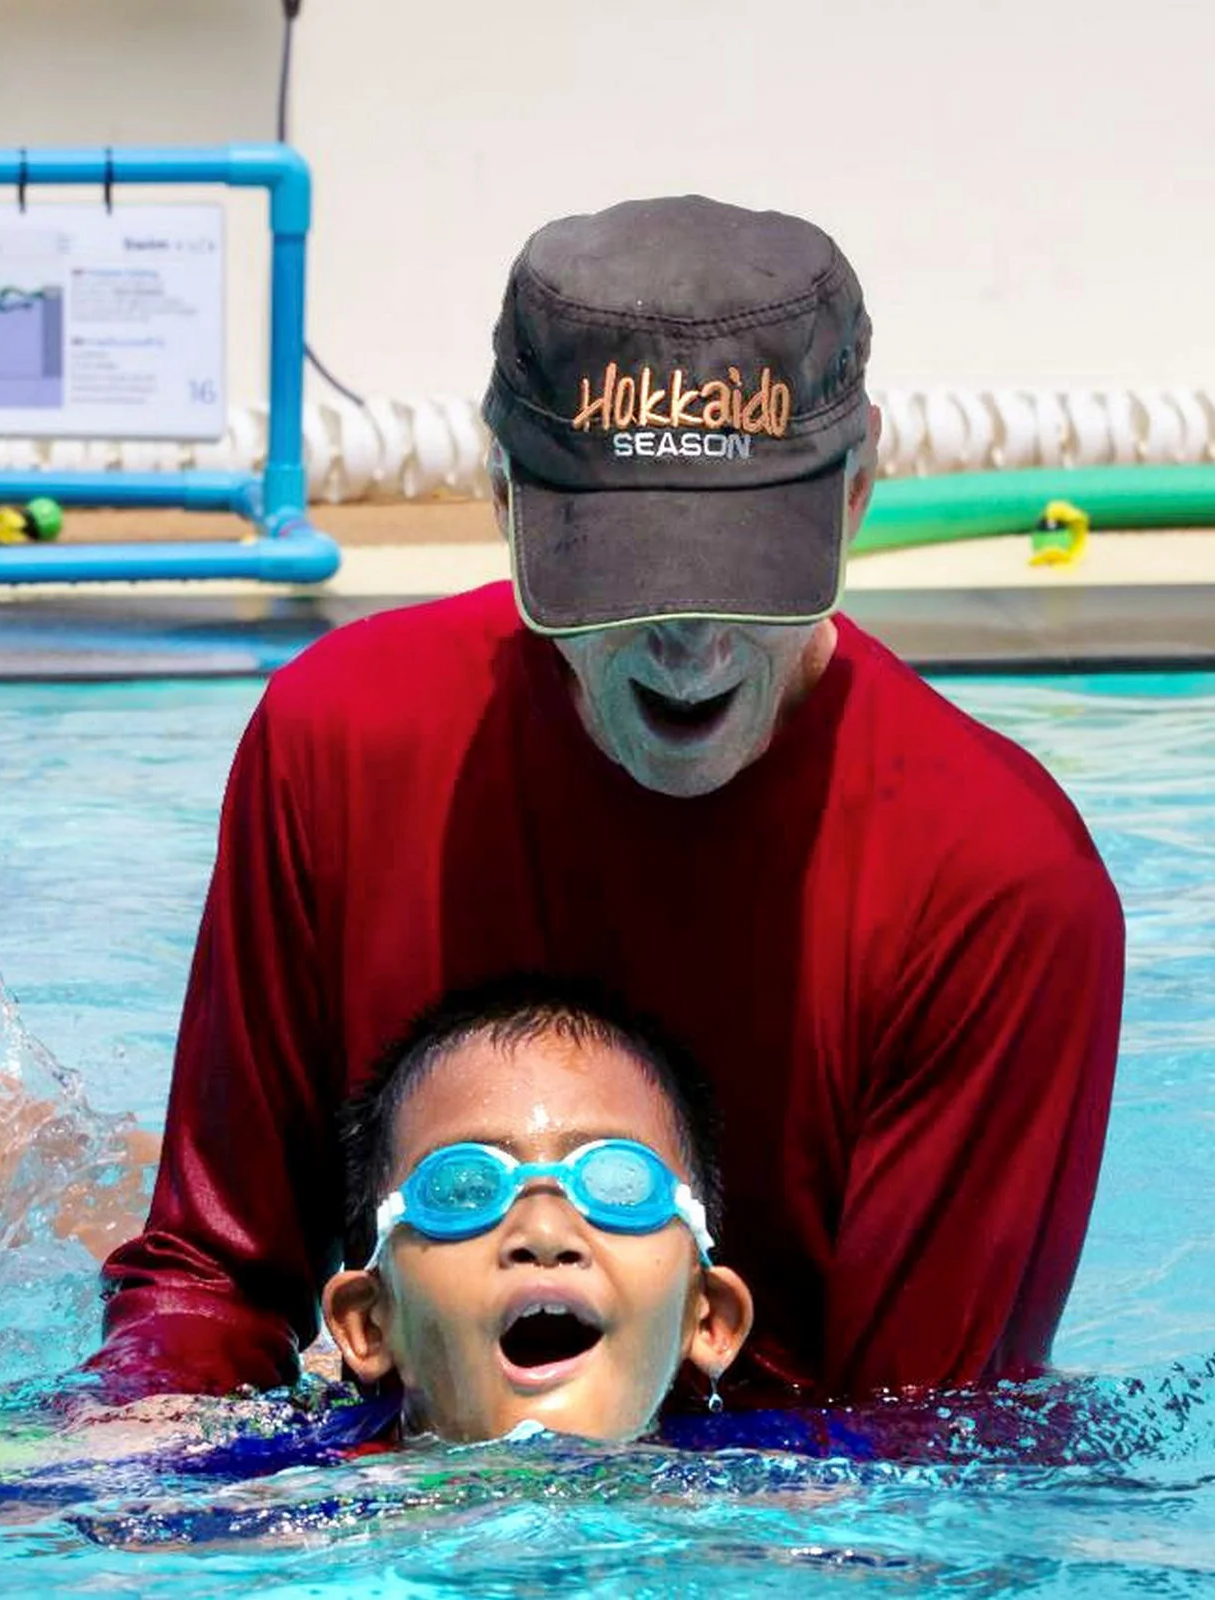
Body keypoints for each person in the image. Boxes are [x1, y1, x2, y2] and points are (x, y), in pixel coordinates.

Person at [93, 193, 1125, 1406]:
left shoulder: (1001, 892)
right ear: (501, 494)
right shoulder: (339, 741)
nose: (689, 647)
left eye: (746, 575)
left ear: (855, 492)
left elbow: (919, 1454)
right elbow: (218, 1279)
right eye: (625, 579)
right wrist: (143, 1447)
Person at [320, 976, 752, 1443]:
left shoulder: (791, 1476)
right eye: (465, 1190)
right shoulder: (293, 1481)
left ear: (709, 1319)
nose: (544, 1232)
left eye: (617, 1185)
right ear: (370, 1325)